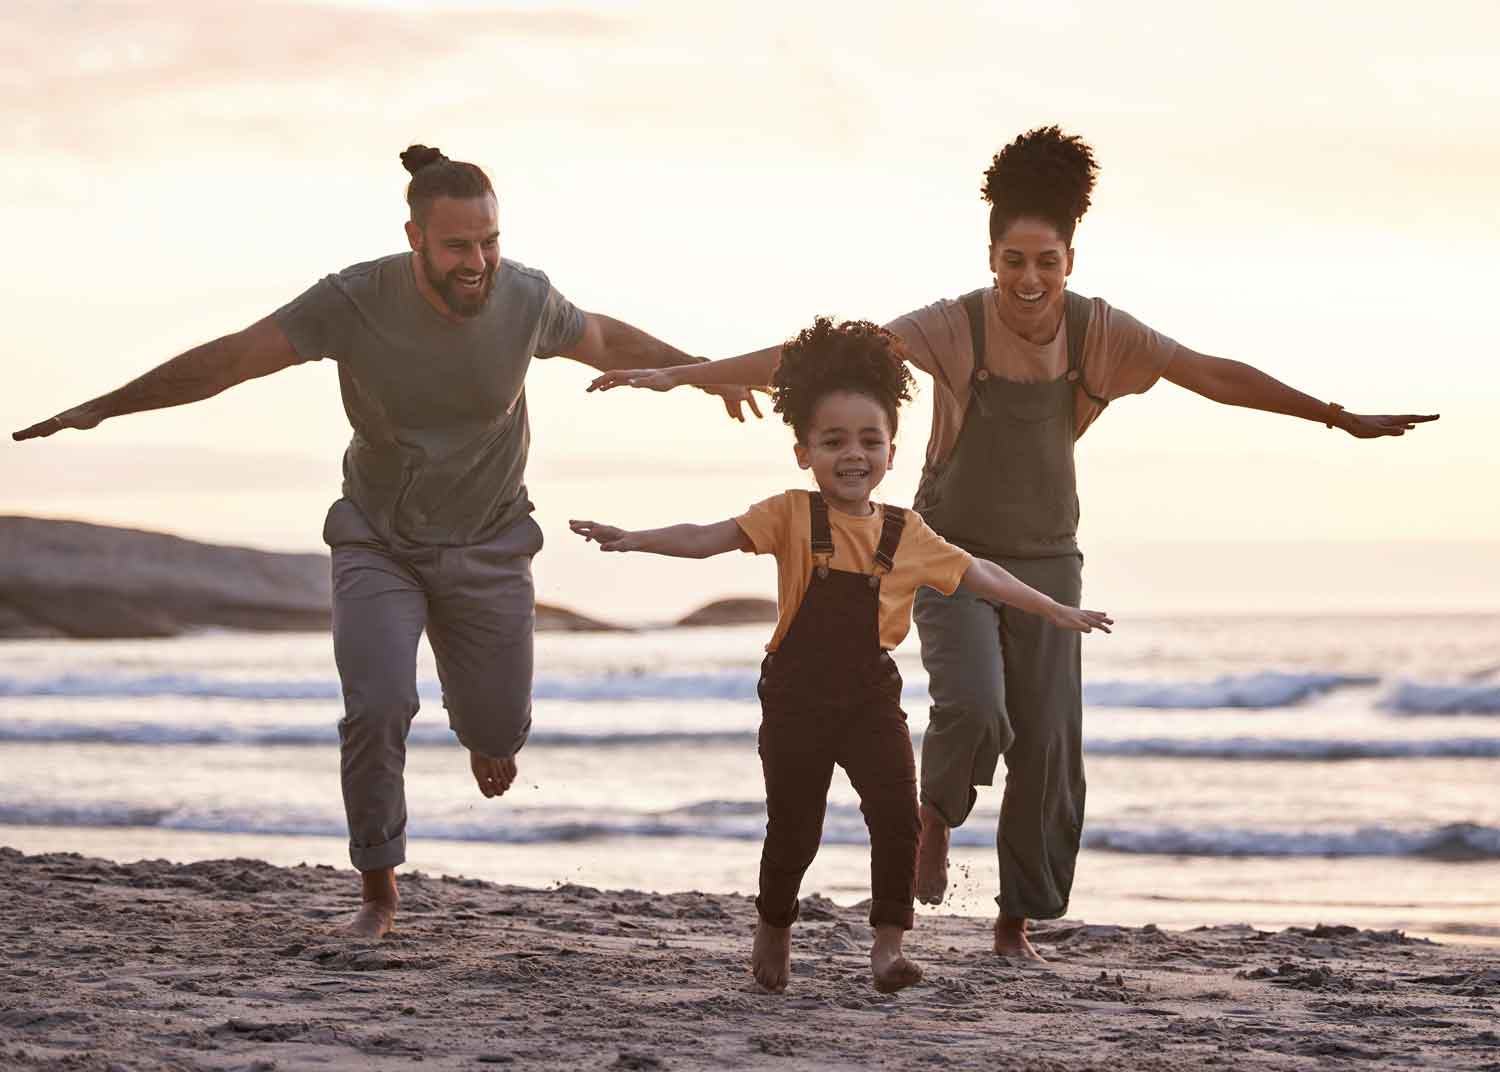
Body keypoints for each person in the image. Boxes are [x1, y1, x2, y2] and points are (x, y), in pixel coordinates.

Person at [584, 125, 1438, 961]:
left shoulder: (1102, 333)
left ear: (1071, 261)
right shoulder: (955, 326)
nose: (1029, 279)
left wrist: (1332, 415)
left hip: (1047, 555)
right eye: (1012, 261)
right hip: (941, 546)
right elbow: (820, 353)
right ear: (991, 256)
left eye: (1047, 262)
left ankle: (1015, 921)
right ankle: (934, 814)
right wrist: (679, 374)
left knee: (1048, 743)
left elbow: (1211, 373)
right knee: (976, 707)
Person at [12, 144, 758, 940]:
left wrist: (701, 371)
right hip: (379, 539)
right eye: (458, 246)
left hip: (491, 542)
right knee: (376, 707)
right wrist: (103, 406)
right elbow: (231, 360)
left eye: (490, 242)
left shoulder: (525, 299)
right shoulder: (352, 301)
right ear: (415, 240)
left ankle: (482, 730)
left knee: (501, 726)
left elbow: (606, 339)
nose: (479, 263)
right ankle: (379, 889)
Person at [570, 317, 1111, 992]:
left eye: (868, 440)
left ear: (891, 449)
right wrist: (633, 538)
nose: (852, 454)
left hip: (869, 696)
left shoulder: (906, 532)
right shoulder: (790, 515)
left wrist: (1055, 608)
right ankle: (774, 927)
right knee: (795, 829)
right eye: (833, 442)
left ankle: (888, 948)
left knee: (895, 816)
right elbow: (707, 536)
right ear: (804, 452)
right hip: (796, 696)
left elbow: (981, 575)